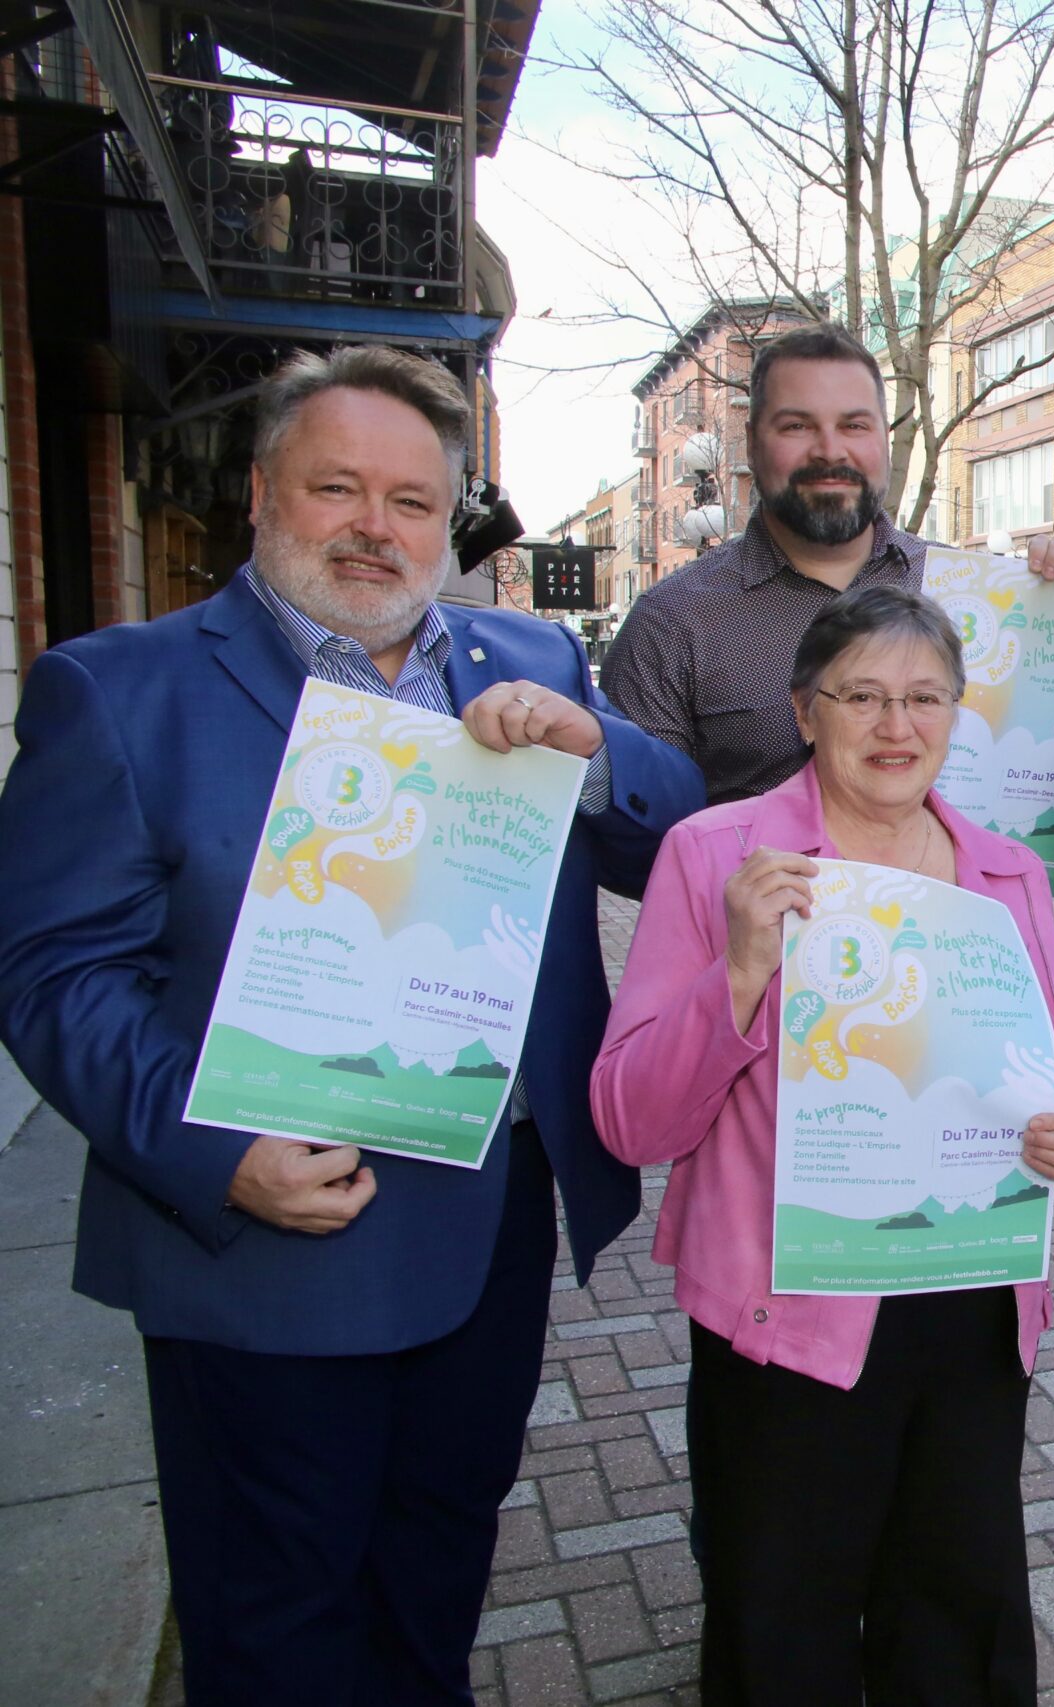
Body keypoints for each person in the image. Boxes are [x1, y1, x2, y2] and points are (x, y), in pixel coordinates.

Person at [0, 346, 704, 1705]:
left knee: (436, 1571)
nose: (375, 526)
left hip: (482, 1217)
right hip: (271, 1223)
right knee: (275, 1607)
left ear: (452, 524)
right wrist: (218, 1149)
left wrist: (596, 748)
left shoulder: (533, 653)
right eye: (338, 487)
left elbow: (678, 835)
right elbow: (55, 975)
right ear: (265, 494)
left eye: (413, 500)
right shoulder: (120, 689)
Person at [590, 582, 1054, 1705]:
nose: (895, 725)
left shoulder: (1005, 871)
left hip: (968, 1297)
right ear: (802, 710)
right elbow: (631, 1119)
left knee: (956, 1611)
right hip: (791, 1313)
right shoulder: (715, 855)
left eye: (925, 697)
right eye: (861, 695)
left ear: (958, 715)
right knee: (785, 1614)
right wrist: (737, 971)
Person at [603, 321, 1054, 804]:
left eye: (854, 424)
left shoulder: (979, 594)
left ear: (883, 441)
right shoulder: (669, 624)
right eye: (797, 425)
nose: (829, 451)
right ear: (753, 444)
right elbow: (637, 851)